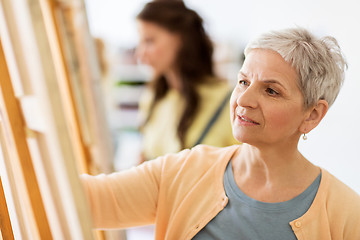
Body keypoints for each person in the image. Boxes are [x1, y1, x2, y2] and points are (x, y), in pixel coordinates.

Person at [81, 27, 360, 239]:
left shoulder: (346, 215)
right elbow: (86, 199)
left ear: (312, 115)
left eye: (271, 90)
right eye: (243, 81)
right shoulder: (183, 172)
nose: (244, 100)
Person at [135, 0, 238, 161]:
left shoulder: (229, 103)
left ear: (180, 40)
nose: (140, 54)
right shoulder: (152, 99)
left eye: (149, 41)